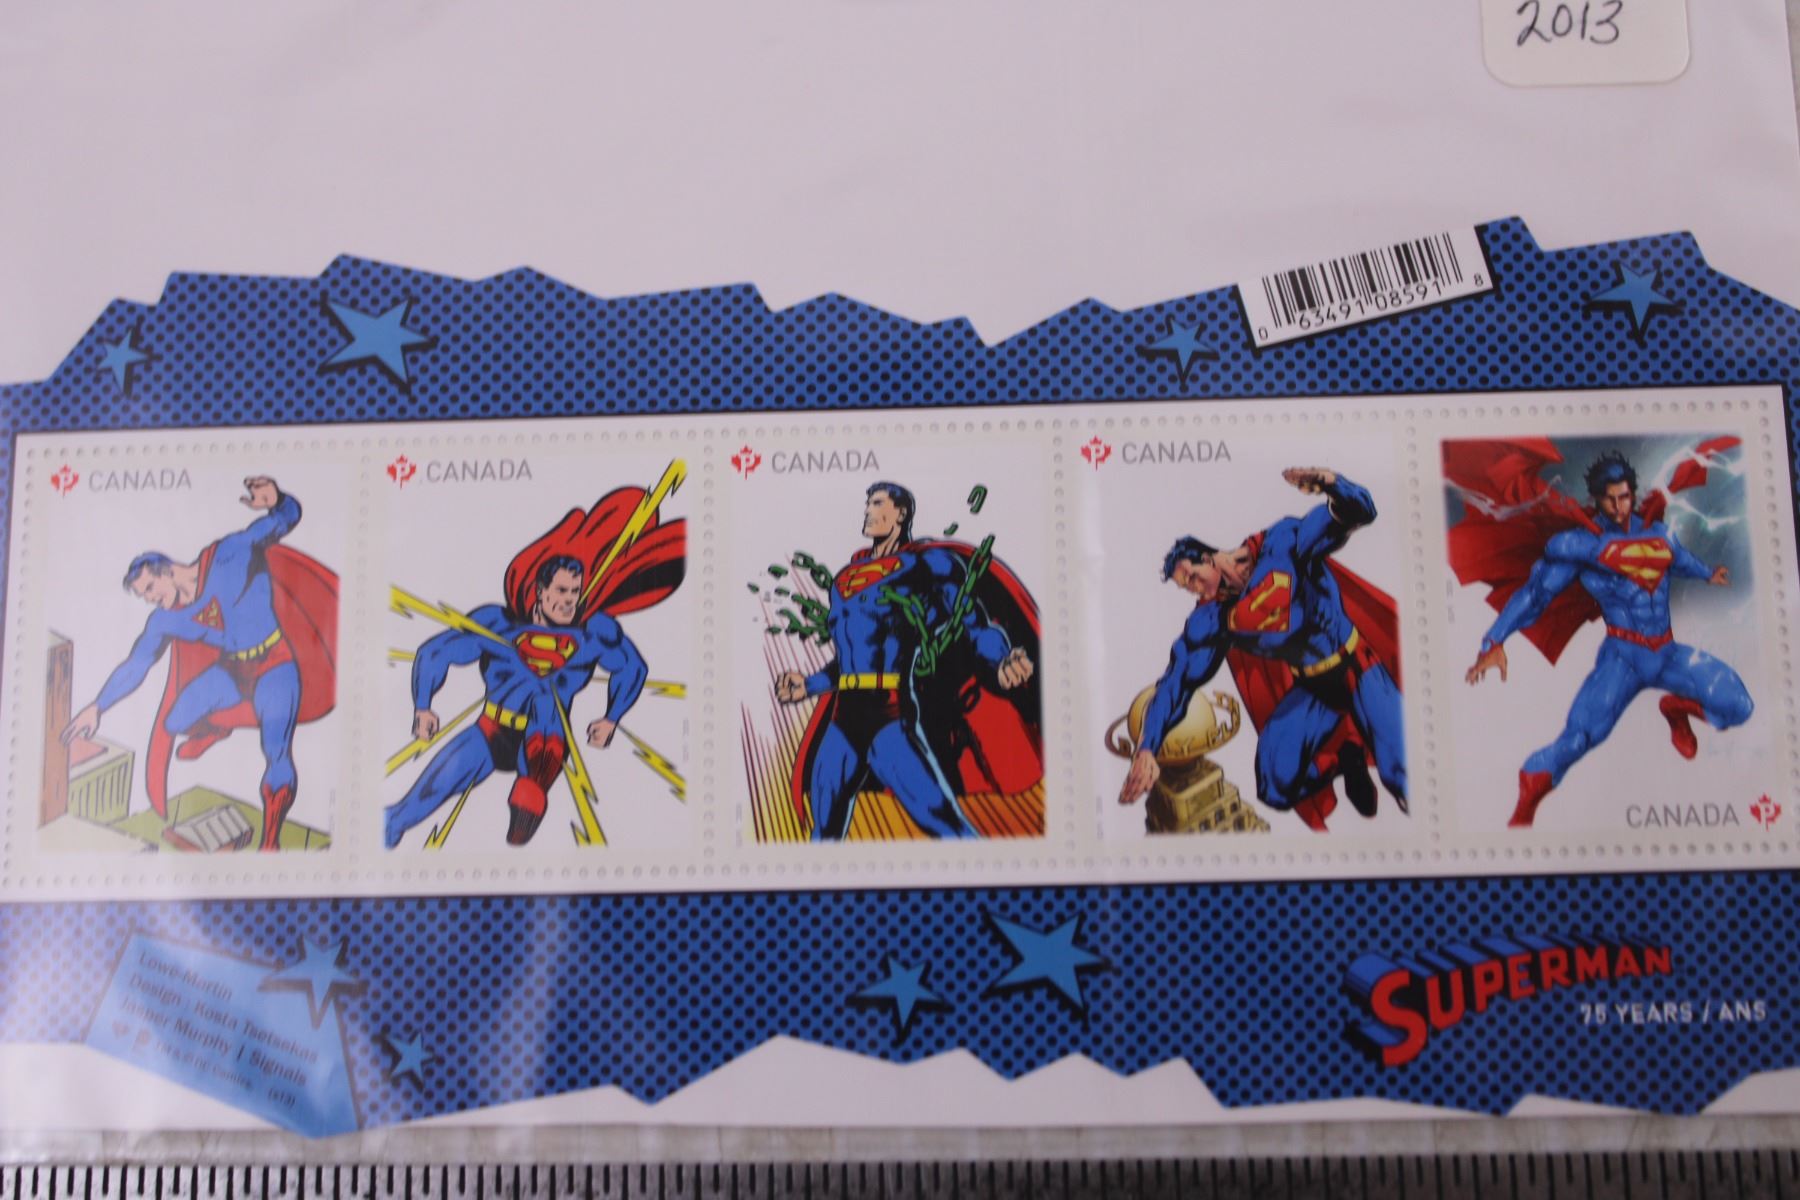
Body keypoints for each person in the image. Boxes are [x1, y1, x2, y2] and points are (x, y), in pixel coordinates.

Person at [1464, 451, 1752, 826]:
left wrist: (1708, 573)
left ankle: (1675, 709)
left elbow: (1680, 560)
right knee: (1577, 740)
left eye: (1624, 497)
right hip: (1622, 659)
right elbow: (1535, 595)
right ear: (1596, 499)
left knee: (1738, 706)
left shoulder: (1658, 534)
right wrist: (1494, 641)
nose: (1618, 508)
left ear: (1633, 494)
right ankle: (1522, 815)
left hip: (1666, 652)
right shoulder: (1580, 547)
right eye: (1610, 499)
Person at [1118, 467, 1405, 831]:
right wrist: (1147, 748)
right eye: (1185, 586)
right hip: (1315, 690)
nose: (1193, 588)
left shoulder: (1282, 542)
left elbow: (1360, 513)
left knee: (1402, 775)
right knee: (1275, 786)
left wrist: (1333, 484)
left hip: (1357, 669)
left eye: (1191, 576)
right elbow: (1176, 684)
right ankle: (1345, 760)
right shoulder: (1211, 620)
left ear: (1210, 557)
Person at [777, 481, 1040, 840]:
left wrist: (1001, 660)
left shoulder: (926, 565)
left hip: (887, 719)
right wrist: (808, 685)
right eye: (867, 503)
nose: (867, 511)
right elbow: (851, 661)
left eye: (877, 503)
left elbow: (971, 622)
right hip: (842, 723)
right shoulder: (843, 580)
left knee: (946, 827)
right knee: (823, 833)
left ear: (900, 514)